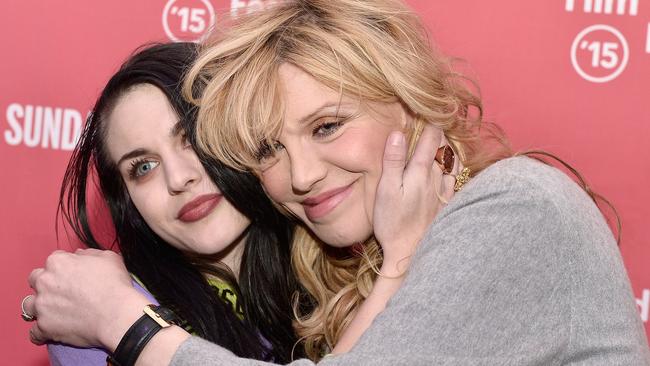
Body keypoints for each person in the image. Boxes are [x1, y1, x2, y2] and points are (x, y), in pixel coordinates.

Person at [25, 0, 650, 365]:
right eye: (269, 147)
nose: (300, 174)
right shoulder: (340, 271)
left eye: (327, 126)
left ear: (405, 102)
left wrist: (127, 324)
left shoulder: (516, 209)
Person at [40, 42, 302, 365]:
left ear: (242, 129)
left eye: (192, 137)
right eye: (144, 167)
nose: (178, 178)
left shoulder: (341, 274)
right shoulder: (87, 327)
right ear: (126, 200)